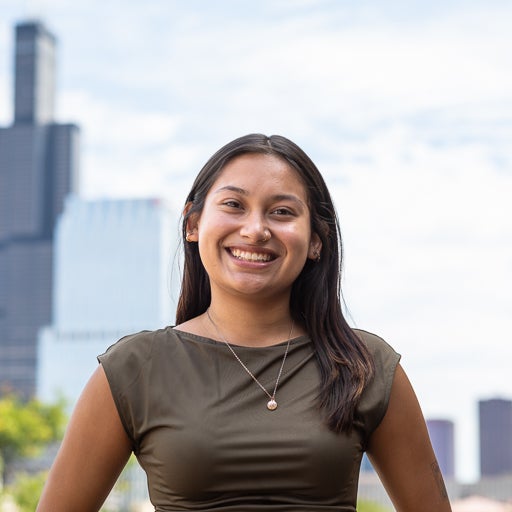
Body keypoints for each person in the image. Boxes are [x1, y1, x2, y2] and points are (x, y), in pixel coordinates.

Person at [37, 134, 452, 512]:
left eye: (282, 212)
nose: (255, 230)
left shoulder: (367, 366)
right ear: (193, 223)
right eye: (234, 205)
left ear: (315, 241)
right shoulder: (133, 369)